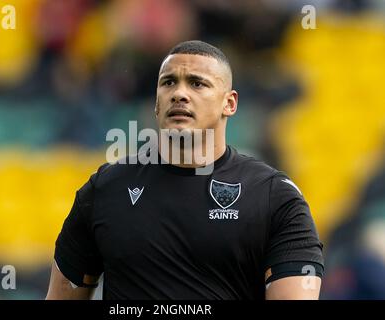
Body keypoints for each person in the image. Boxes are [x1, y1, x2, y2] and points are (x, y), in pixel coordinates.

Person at [46, 40, 324, 300]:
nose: (179, 93)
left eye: (197, 83)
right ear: (156, 103)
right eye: (168, 83)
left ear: (229, 103)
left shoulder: (273, 196)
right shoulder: (105, 189)